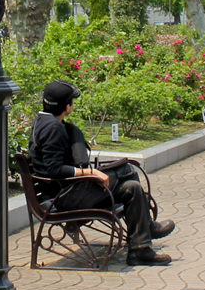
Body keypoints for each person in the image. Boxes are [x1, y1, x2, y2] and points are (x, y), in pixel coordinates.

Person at [30, 80, 174, 265]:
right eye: (72, 101)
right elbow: (54, 170)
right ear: (67, 106)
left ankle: (139, 250)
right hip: (66, 198)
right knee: (127, 169)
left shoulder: (43, 121)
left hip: (66, 191)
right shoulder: (53, 128)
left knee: (132, 187)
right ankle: (149, 227)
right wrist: (90, 172)